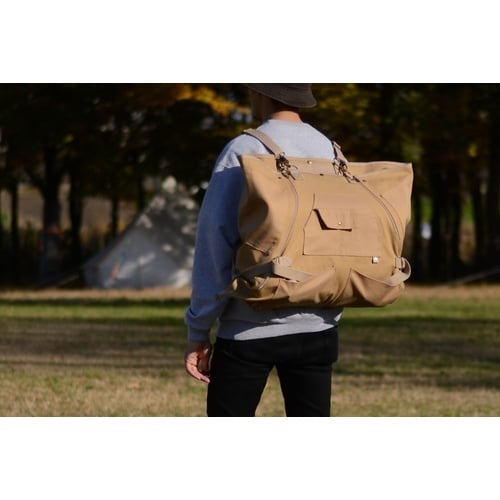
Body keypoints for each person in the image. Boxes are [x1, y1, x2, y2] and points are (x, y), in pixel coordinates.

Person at [184, 84, 343, 417]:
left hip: (249, 325)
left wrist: (199, 329)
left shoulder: (244, 148)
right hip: (318, 323)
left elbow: (215, 240)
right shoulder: (330, 150)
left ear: (262, 93)